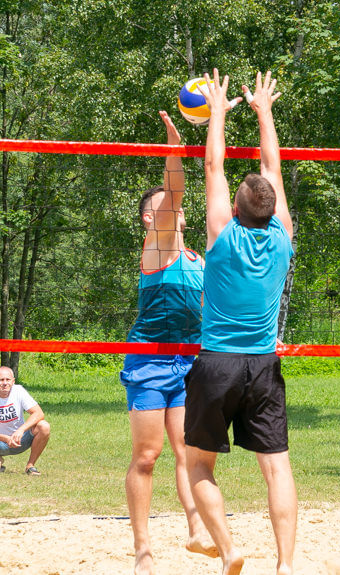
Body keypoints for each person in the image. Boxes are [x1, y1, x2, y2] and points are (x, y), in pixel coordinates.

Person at [185, 69, 296, 575]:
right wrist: (263, 110)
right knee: (276, 468)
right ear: (273, 209)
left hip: (216, 365)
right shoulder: (283, 239)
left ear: (235, 206)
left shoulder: (221, 235)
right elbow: (271, 165)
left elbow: (213, 165)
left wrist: (217, 113)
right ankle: (286, 565)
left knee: (197, 464)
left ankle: (229, 549)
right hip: (264, 365)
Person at [120, 110, 216, 574]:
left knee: (187, 452)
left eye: (174, 208)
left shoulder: (198, 256)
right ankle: (143, 550)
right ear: (148, 218)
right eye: (162, 207)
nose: (173, 210)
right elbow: (174, 191)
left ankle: (196, 530)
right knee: (147, 455)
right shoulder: (158, 248)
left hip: (189, 361)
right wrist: (175, 146)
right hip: (149, 361)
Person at [0, 365, 51, 475]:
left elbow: (38, 413)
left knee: (44, 426)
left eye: (8, 379)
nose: (5, 383)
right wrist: (5, 438)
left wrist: (21, 430)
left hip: (20, 439)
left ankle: (30, 466)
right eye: (1, 380)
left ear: (13, 381)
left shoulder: (19, 391)